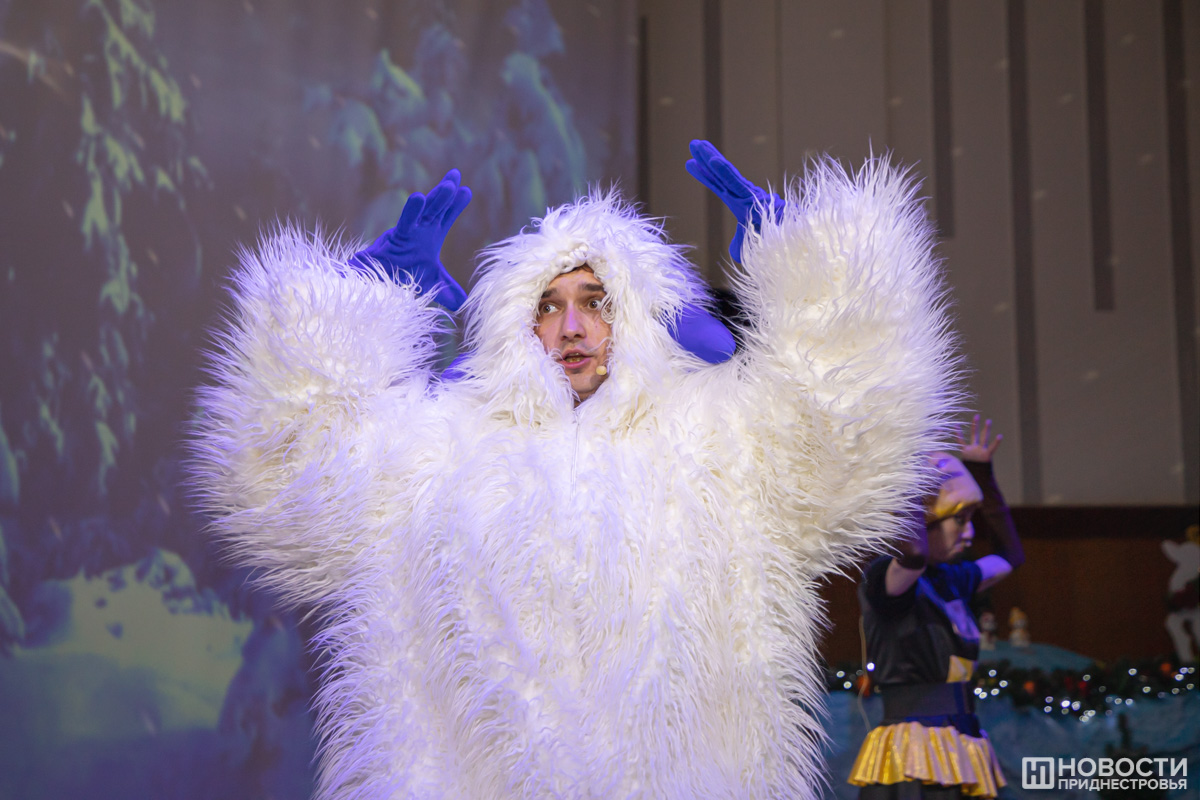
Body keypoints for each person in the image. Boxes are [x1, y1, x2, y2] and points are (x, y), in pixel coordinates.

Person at [191, 141, 959, 799]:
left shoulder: (717, 440)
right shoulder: (443, 446)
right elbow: (290, 492)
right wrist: (347, 314)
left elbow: (844, 436)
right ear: (515, 323)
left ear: (637, 312)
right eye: (547, 305)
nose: (571, 327)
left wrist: (817, 281)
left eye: (597, 301)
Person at [849, 416, 1024, 800]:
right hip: (914, 750)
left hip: (961, 736)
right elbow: (913, 556)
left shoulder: (953, 578)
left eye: (971, 519)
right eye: (959, 520)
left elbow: (1010, 556)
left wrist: (982, 476)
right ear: (925, 521)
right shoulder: (885, 576)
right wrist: (908, 481)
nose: (970, 532)